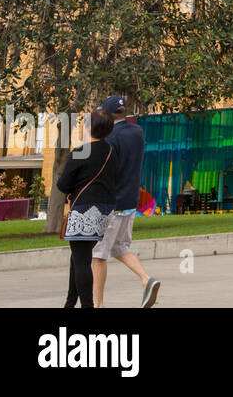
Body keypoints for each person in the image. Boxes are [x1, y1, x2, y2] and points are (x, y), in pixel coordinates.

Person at [92, 95, 160, 308]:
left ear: (108, 114)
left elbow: (105, 170)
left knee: (98, 255)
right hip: (131, 200)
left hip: (111, 202)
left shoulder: (110, 137)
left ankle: (98, 304)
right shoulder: (137, 132)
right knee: (120, 247)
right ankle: (146, 278)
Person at [57, 108, 119, 308]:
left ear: (88, 127)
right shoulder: (110, 152)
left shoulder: (81, 152)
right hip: (104, 211)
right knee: (78, 256)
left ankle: (87, 305)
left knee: (82, 260)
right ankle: (70, 301)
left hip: (84, 210)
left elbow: (63, 184)